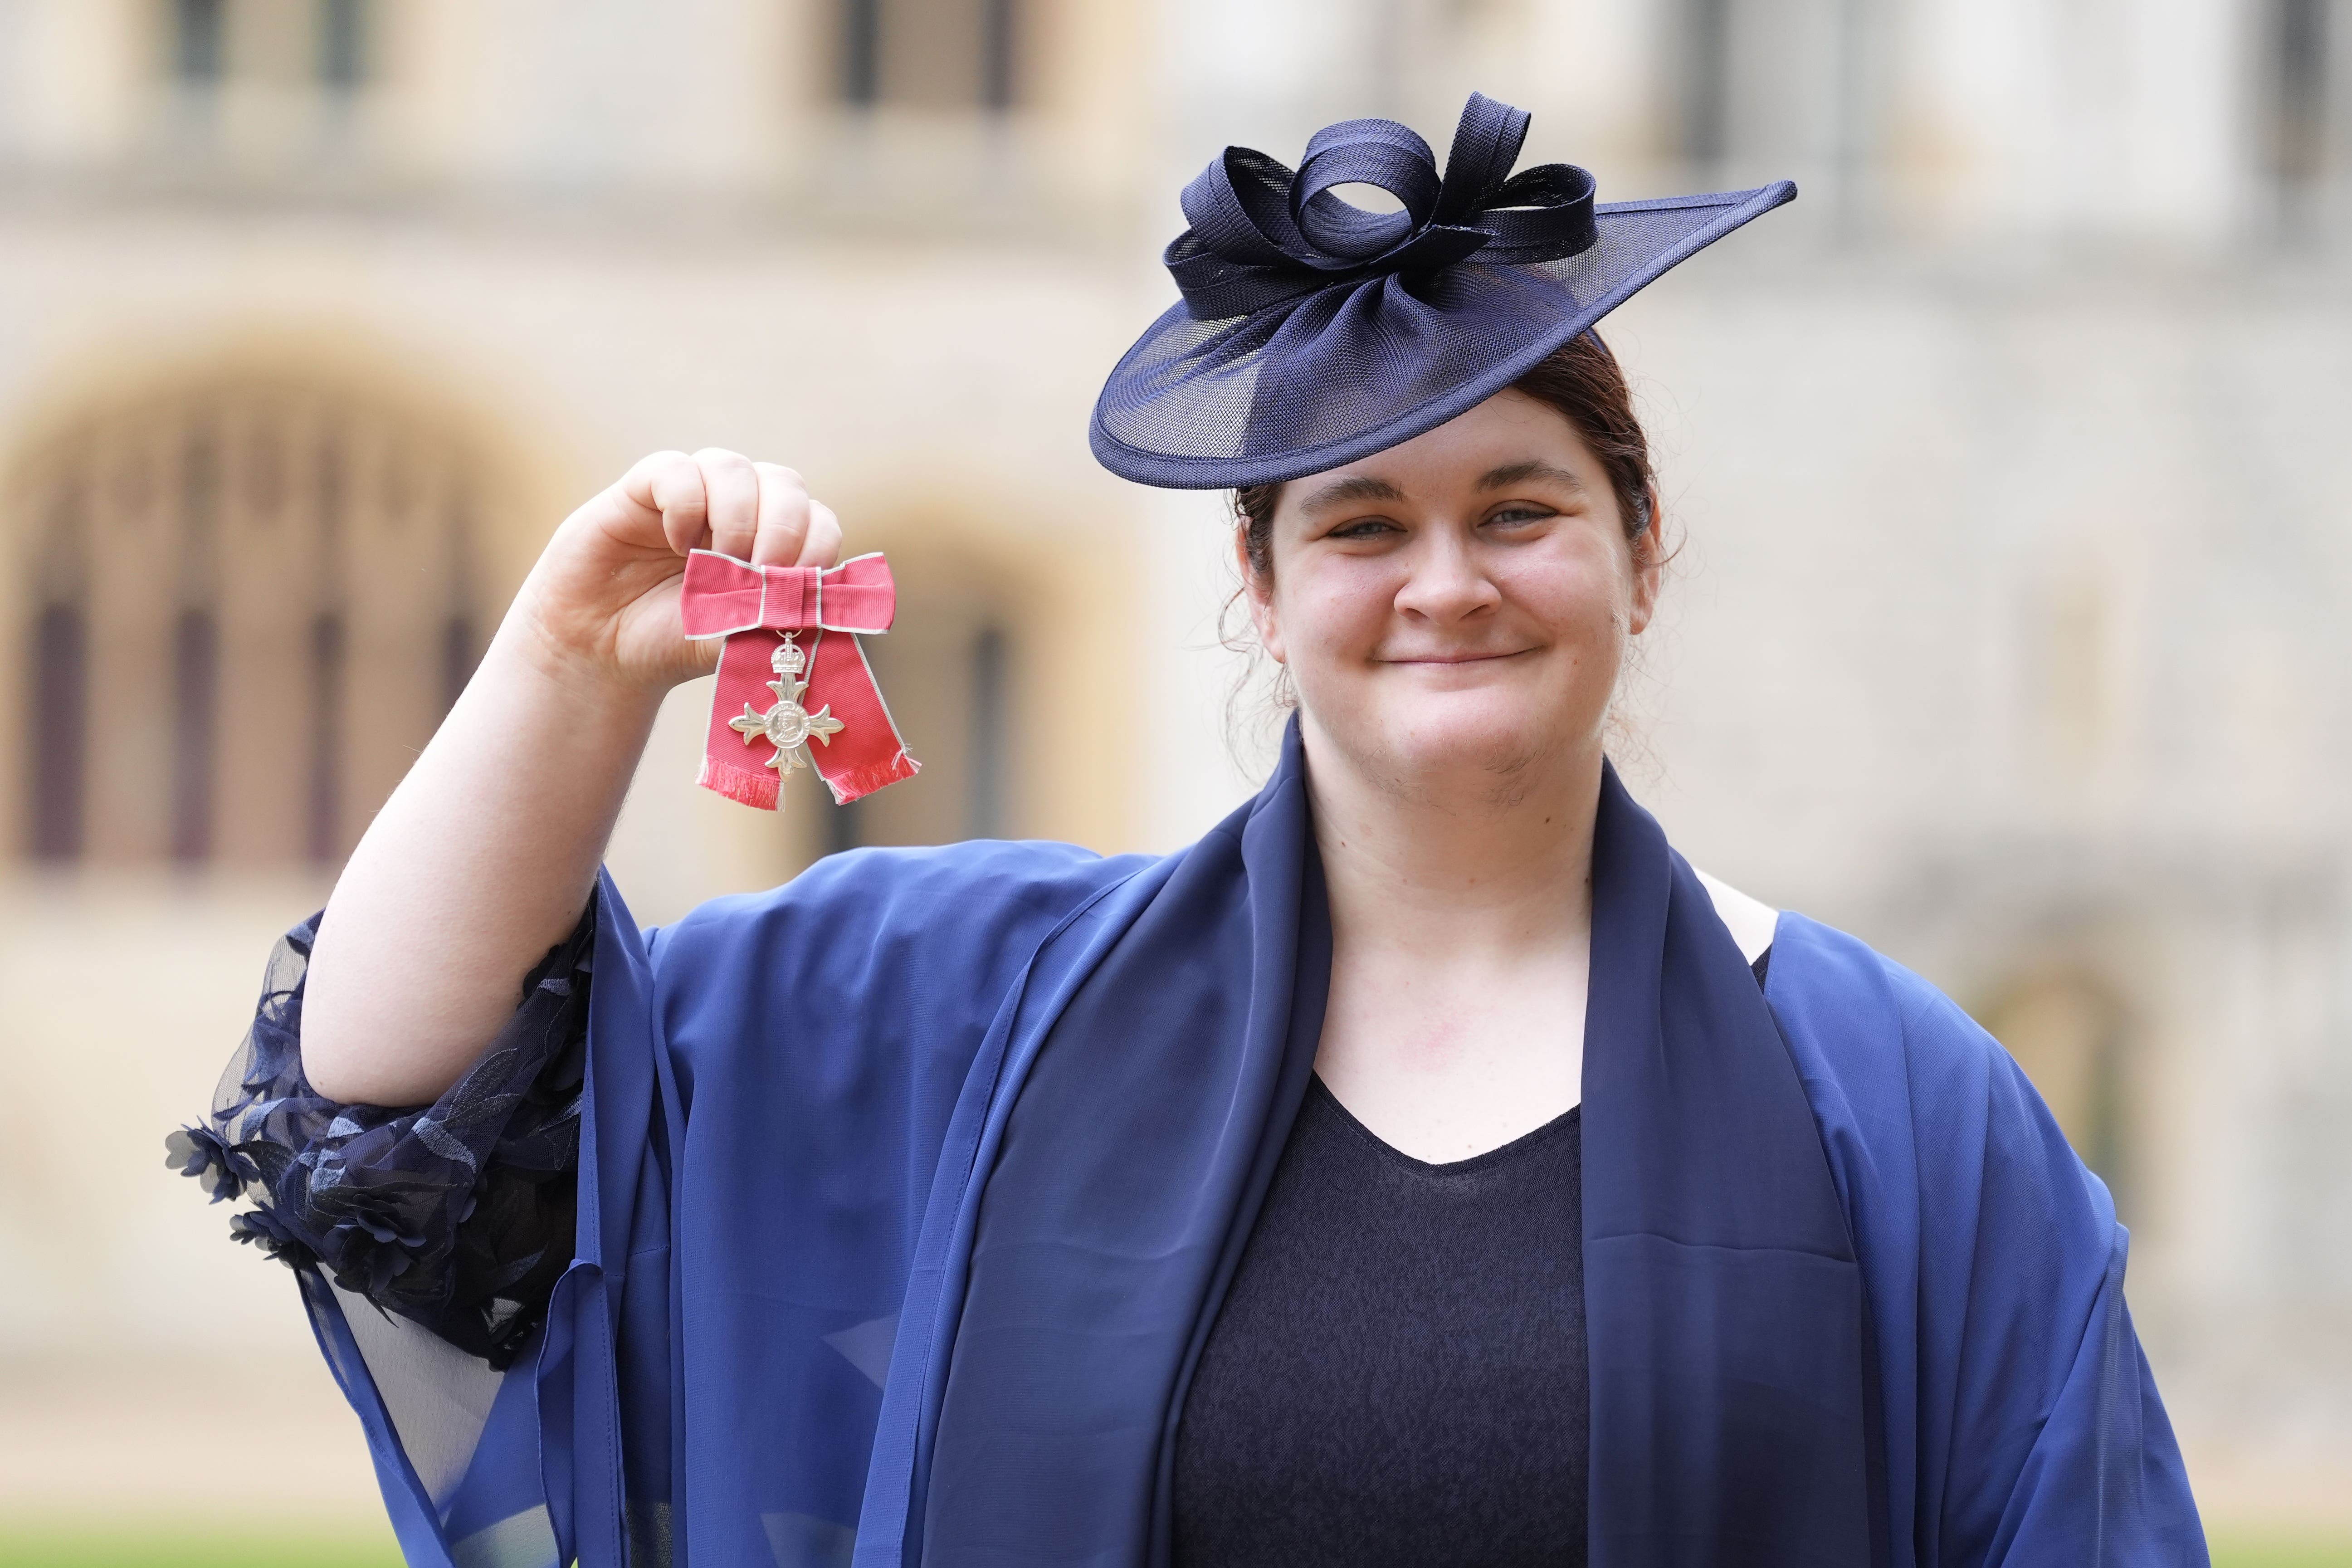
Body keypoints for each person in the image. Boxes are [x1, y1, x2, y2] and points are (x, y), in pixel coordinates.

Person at [173, 94, 2207, 1567]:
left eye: (1517, 508)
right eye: (1359, 524)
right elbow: (393, 1116)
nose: (1446, 582)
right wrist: (566, 665)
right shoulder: (964, 1007)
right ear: (1259, 585)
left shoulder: (1888, 1098)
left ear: (1638, 552)